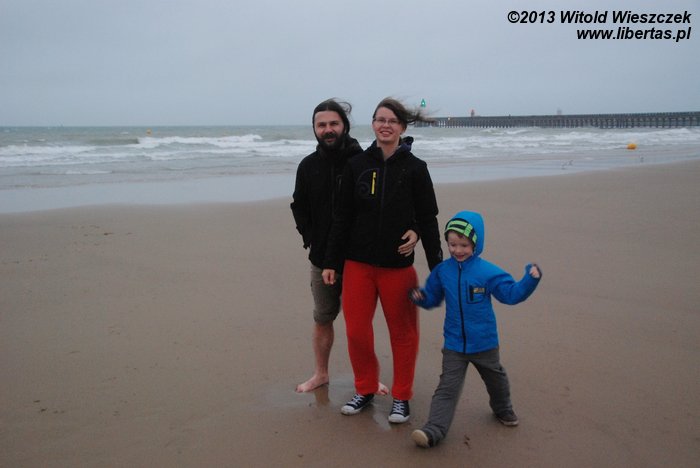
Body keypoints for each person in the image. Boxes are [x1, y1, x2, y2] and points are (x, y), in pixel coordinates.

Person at [322, 97, 443, 424]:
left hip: (397, 268)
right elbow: (342, 217)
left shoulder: (416, 168)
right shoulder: (357, 165)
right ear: (373, 124)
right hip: (358, 265)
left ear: (402, 126)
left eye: (392, 120)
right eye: (380, 119)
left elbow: (428, 218)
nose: (385, 125)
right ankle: (364, 388)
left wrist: (437, 268)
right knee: (357, 332)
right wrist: (331, 261)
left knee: (403, 335)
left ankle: (401, 396)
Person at [291, 99, 418, 393]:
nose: (328, 129)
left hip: (360, 258)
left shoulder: (364, 161)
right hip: (322, 258)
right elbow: (299, 206)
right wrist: (311, 238)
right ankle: (321, 373)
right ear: (314, 129)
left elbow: (397, 200)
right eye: (321, 125)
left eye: (334, 124)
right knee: (323, 317)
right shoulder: (308, 166)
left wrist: (415, 227)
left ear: (345, 126)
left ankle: (368, 378)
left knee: (360, 324)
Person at [409, 210, 542, 448]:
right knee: (447, 389)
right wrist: (421, 297)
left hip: (484, 343)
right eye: (452, 245)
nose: (457, 250)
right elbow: (433, 297)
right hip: (454, 345)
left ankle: (503, 409)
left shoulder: (487, 272)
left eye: (464, 245)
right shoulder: (443, 271)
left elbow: (511, 294)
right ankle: (433, 430)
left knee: (496, 380)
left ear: (476, 244)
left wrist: (529, 280)